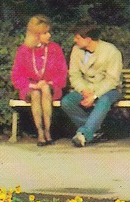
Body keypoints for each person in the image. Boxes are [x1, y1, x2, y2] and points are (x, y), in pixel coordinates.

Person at [61, 22, 123, 147]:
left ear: (88, 39)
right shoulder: (76, 50)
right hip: (85, 89)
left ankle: (84, 134)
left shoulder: (111, 51)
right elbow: (74, 75)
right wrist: (84, 90)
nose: (75, 40)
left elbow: (112, 80)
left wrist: (94, 96)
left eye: (78, 38)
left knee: (104, 100)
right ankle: (94, 130)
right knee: (67, 101)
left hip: (108, 90)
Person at [10, 15, 68, 145]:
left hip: (51, 86)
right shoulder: (23, 51)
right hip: (30, 88)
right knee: (36, 93)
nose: (49, 35)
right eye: (45, 33)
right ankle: (40, 132)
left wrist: (48, 83)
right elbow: (17, 75)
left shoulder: (55, 49)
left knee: (46, 89)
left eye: (49, 32)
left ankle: (48, 131)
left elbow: (62, 72)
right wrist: (33, 85)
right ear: (36, 35)